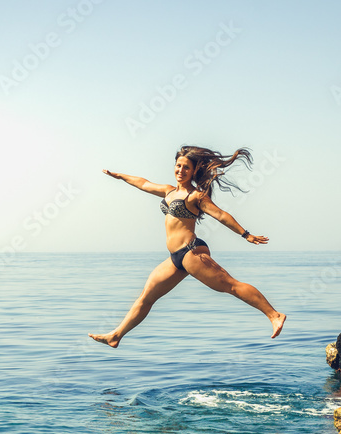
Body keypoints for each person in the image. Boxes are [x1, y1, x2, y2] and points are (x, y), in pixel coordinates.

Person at [88, 145, 286, 348]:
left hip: (191, 251)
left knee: (230, 286)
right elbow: (144, 183)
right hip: (175, 258)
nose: (180, 170)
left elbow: (221, 215)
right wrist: (119, 176)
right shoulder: (168, 191)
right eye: (178, 166)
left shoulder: (196, 197)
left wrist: (246, 234)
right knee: (146, 297)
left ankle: (274, 315)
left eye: (186, 168)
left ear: (193, 171)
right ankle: (116, 336)